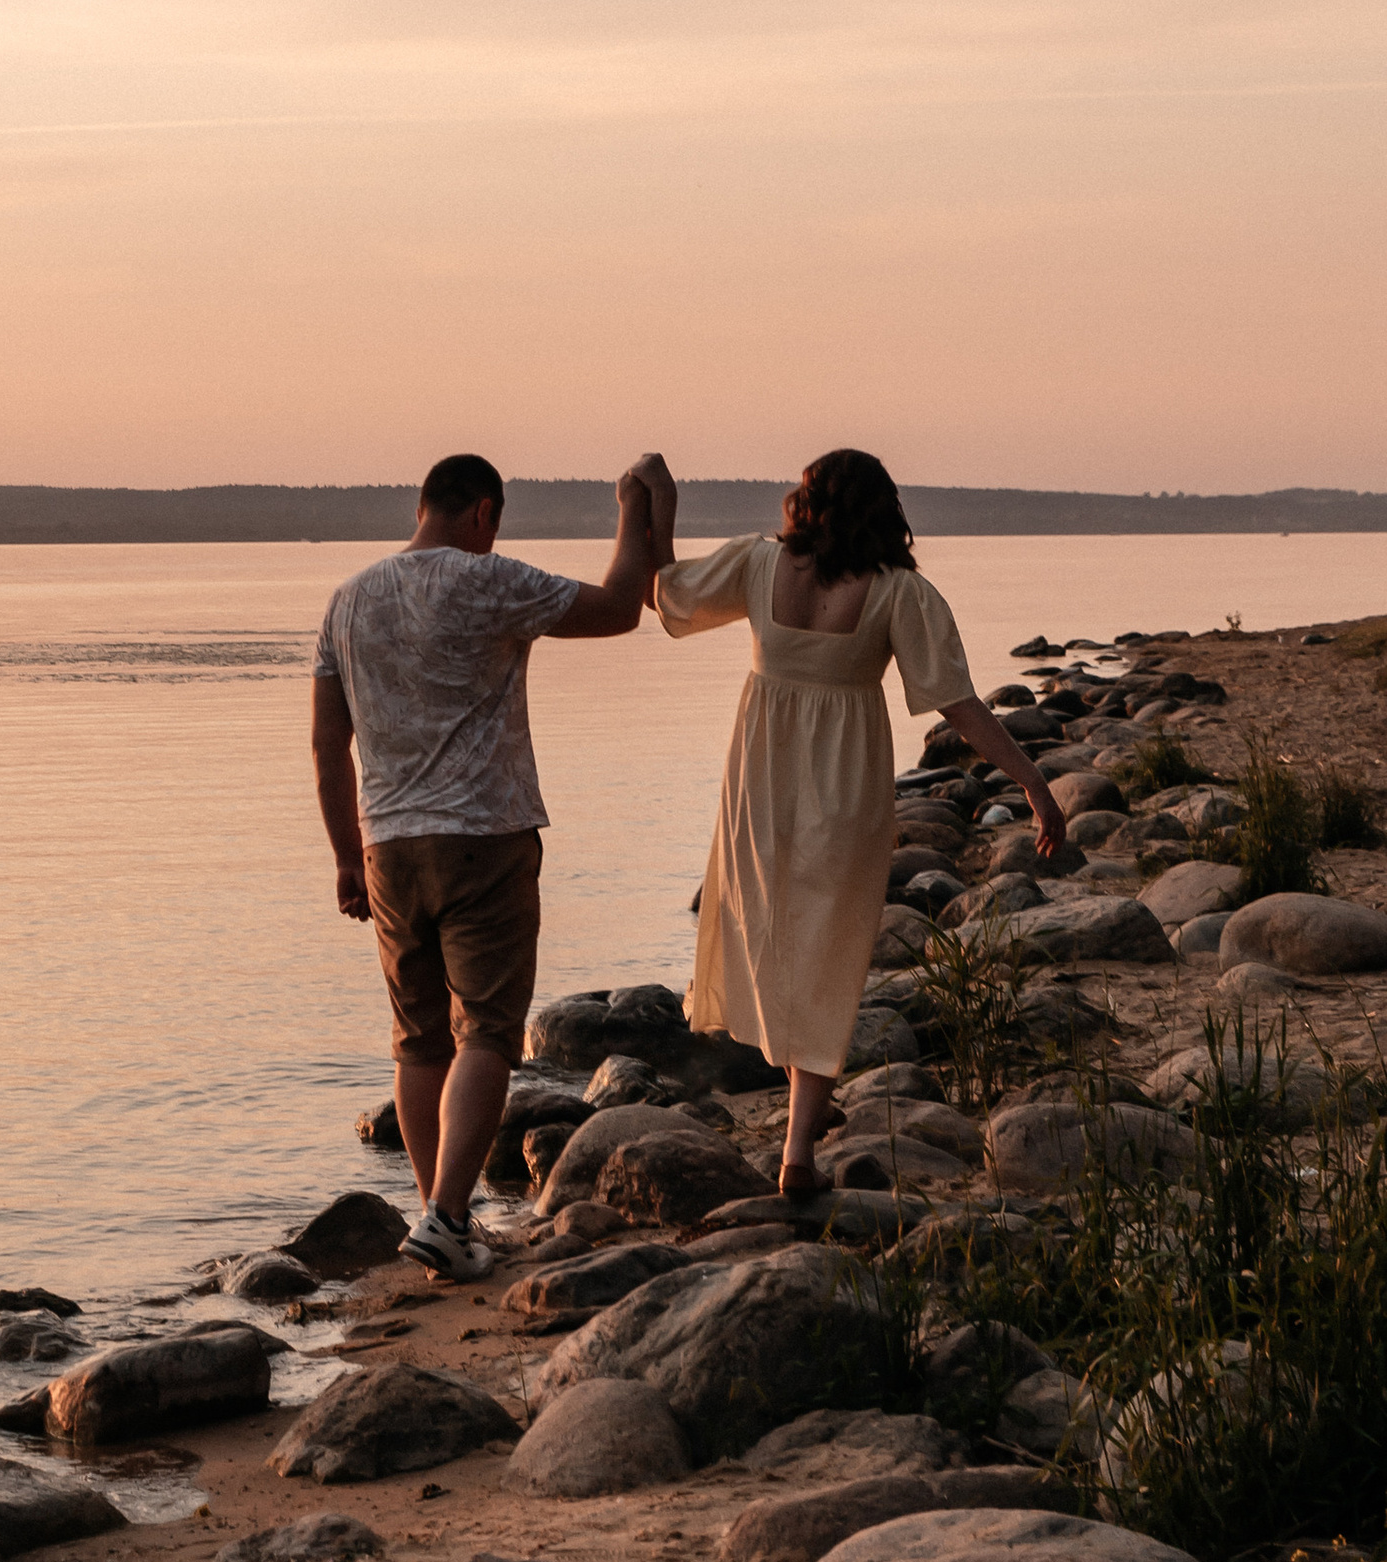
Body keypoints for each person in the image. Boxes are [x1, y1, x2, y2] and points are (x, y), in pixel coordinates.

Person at [654, 447, 1065, 1197]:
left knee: (770, 933)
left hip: (759, 779)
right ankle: (797, 1148)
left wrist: (652, 504)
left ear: (805, 502)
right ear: (886, 511)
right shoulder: (896, 592)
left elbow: (666, 596)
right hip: (844, 787)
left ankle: (804, 1109)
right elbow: (959, 703)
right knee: (827, 949)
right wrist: (1032, 779)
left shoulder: (756, 563)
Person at [313, 449, 668, 1279]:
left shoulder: (347, 602)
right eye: (493, 524)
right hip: (485, 835)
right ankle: (444, 1215)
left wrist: (343, 855)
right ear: (482, 515)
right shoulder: (488, 579)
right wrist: (632, 507)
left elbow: (330, 745)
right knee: (491, 1034)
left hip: (388, 846)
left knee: (418, 1042)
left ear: (420, 507)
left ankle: (442, 1219)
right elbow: (621, 607)